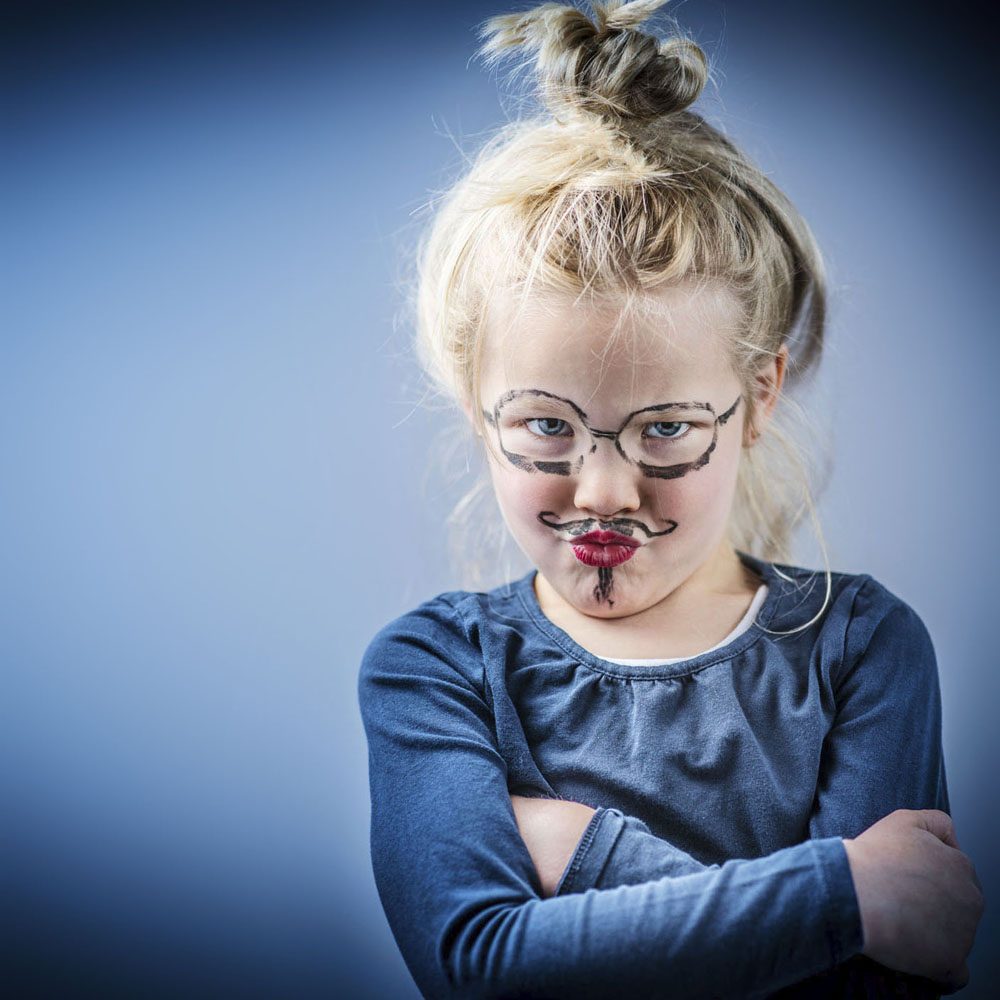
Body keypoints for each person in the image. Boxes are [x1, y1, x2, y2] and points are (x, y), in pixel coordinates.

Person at [357, 2, 984, 997]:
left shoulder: (863, 646)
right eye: (546, 427)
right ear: (478, 408)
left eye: (663, 429)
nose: (603, 492)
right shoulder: (434, 670)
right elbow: (479, 966)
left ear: (757, 397)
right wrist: (843, 895)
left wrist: (579, 848)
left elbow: (870, 985)